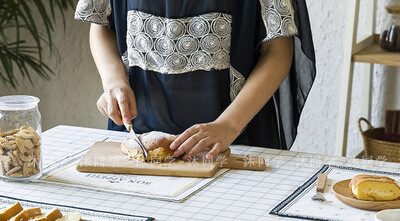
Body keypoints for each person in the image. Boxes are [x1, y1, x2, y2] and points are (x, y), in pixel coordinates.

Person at [75, 0, 316, 160]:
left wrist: (228, 126)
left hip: (233, 138)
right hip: (137, 139)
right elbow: (101, 25)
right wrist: (114, 82)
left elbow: (277, 49)